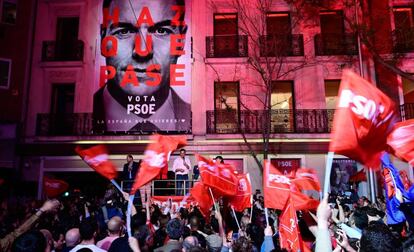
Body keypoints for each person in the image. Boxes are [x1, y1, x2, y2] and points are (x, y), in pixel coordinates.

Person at [93, 0, 191, 133]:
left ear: (182, 40)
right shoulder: (88, 116)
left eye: (162, 31)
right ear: (103, 36)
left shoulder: (191, 119)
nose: (142, 51)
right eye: (124, 31)